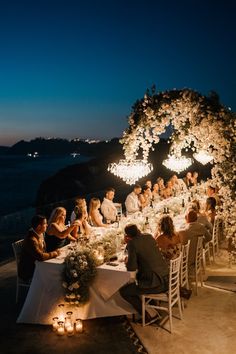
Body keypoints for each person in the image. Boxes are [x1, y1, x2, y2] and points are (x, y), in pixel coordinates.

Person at [119, 224, 169, 320]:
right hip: (167, 278)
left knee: (125, 291)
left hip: (157, 284)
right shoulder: (149, 236)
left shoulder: (132, 243)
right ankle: (150, 306)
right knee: (139, 282)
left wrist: (128, 258)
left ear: (127, 236)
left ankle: (148, 315)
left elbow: (131, 268)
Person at [18, 215, 60, 281]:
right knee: (56, 273)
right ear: (39, 226)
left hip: (38, 265)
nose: (47, 225)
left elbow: (43, 251)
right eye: (45, 223)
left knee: (57, 271)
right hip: (29, 271)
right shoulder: (31, 239)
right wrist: (54, 253)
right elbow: (40, 256)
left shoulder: (40, 233)